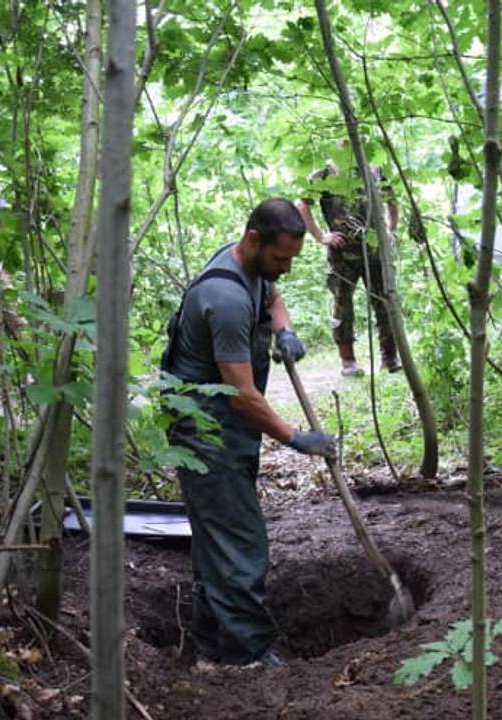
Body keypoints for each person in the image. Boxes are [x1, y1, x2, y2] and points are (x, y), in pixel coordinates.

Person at [161, 198, 337, 670]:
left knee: (219, 539)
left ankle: (212, 647)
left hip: (227, 430)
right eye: (281, 258)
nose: (285, 269)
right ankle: (248, 656)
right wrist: (295, 437)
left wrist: (284, 331)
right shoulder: (226, 300)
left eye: (292, 259)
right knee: (240, 544)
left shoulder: (249, 268)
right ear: (254, 239)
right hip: (208, 434)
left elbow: (271, 294)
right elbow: (241, 395)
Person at [295, 159, 401, 376]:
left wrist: (391, 230)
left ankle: (390, 358)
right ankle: (348, 361)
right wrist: (321, 236)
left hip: (375, 252)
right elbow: (302, 204)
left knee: (384, 303)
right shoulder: (325, 173)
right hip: (341, 254)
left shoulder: (374, 166)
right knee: (342, 307)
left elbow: (392, 198)